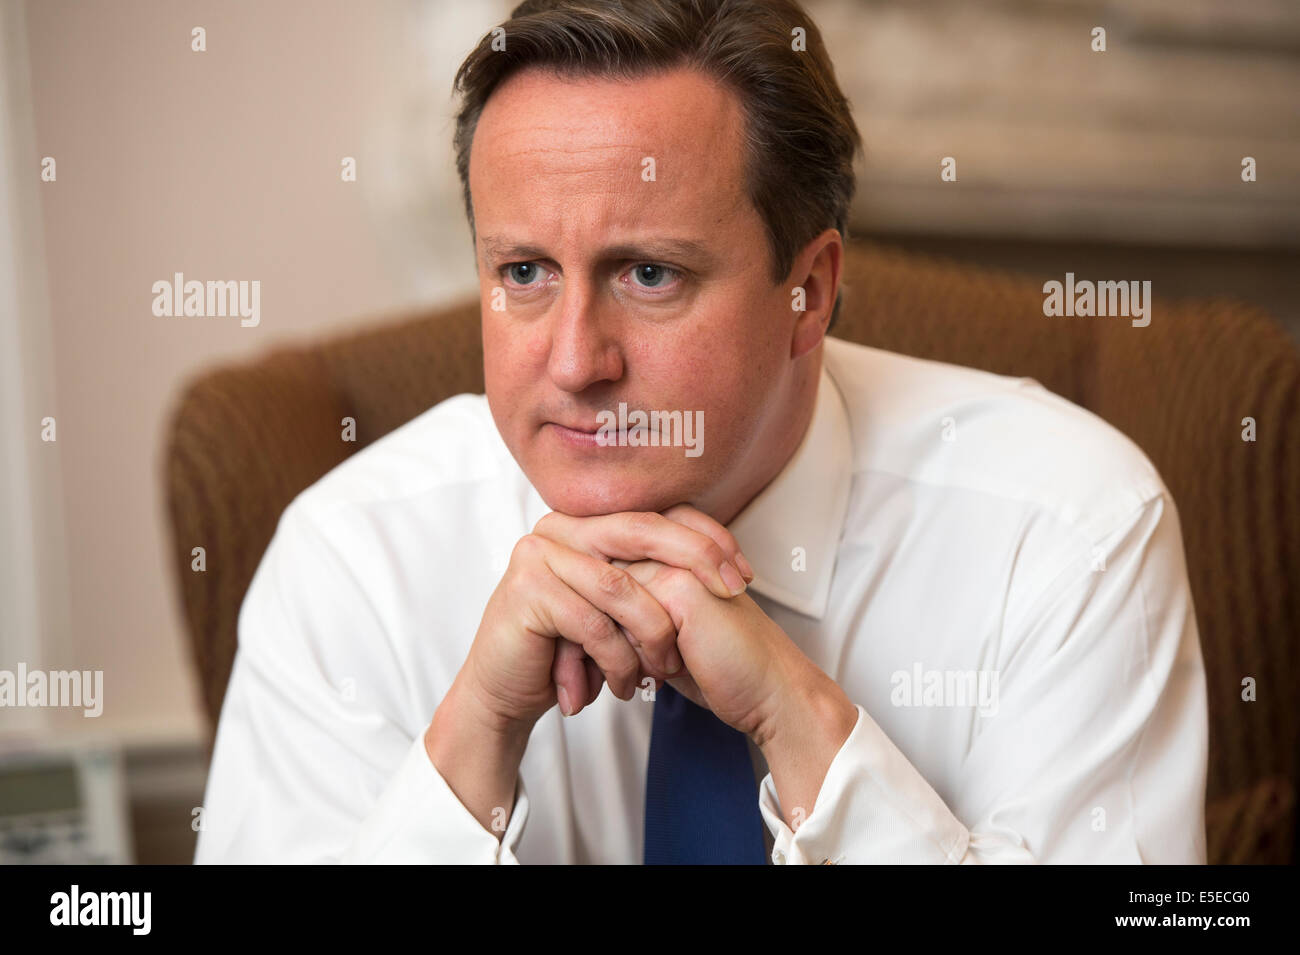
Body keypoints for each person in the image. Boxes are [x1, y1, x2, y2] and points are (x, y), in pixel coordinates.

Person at [194, 0, 1207, 864]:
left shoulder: (1066, 531)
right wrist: (468, 748)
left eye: (649, 274)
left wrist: (798, 722)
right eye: (524, 273)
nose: (575, 361)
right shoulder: (356, 559)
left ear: (808, 291)